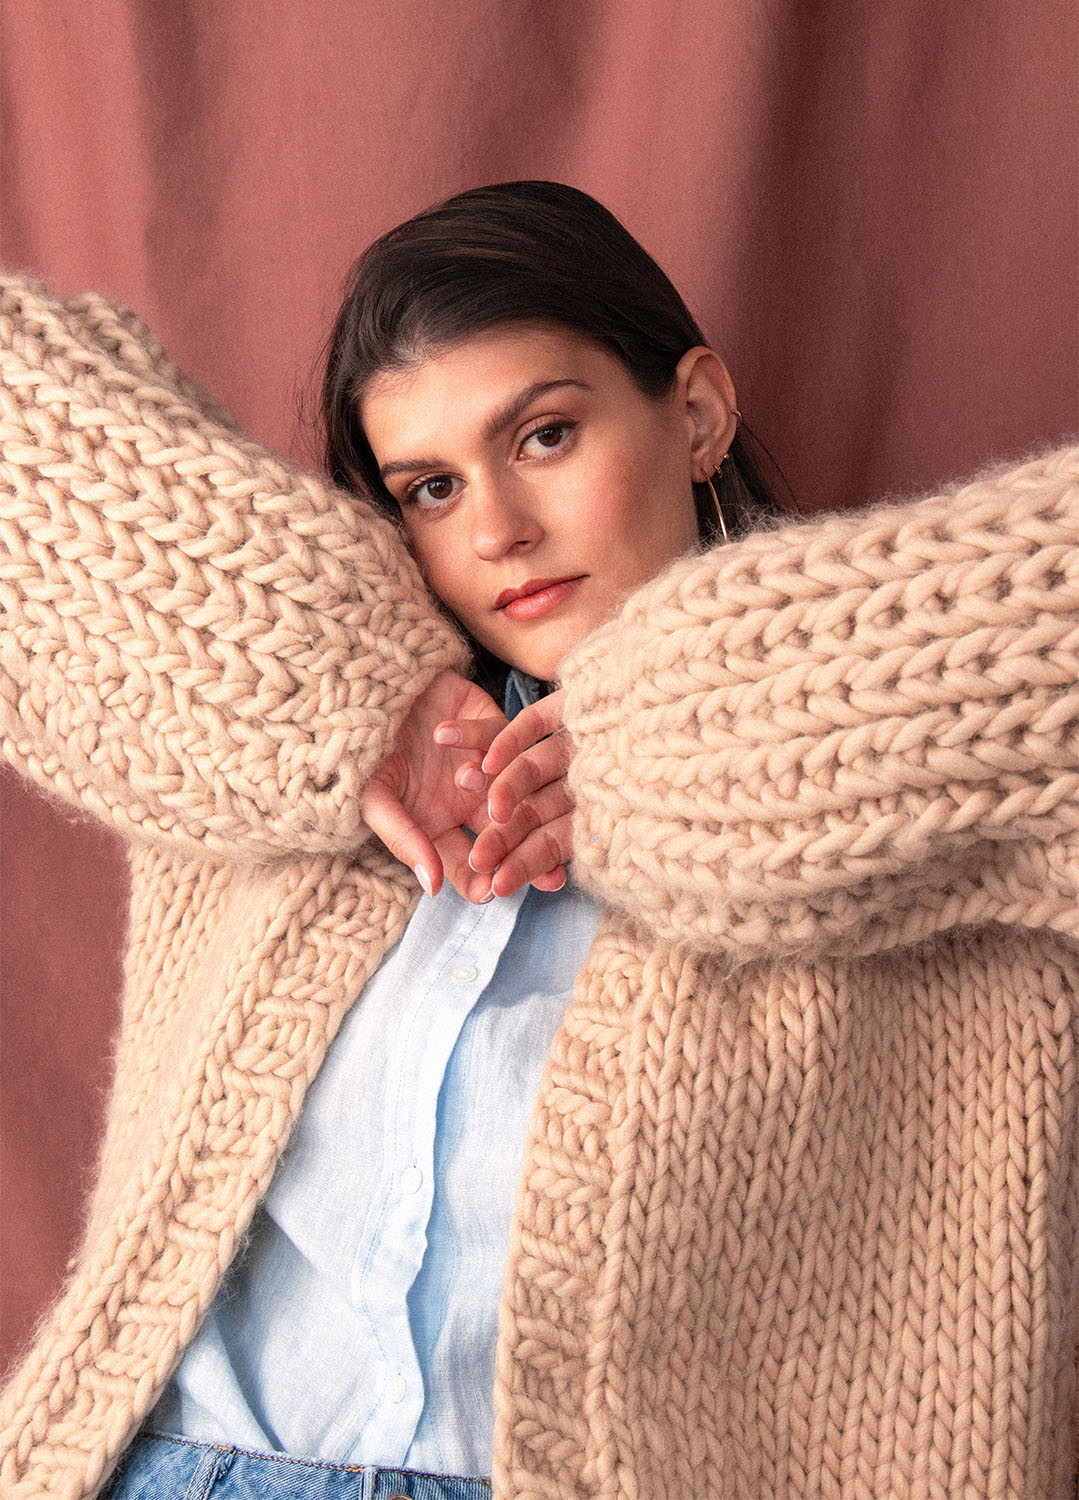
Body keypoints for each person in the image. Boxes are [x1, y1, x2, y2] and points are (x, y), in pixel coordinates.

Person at [0, 183, 1075, 1500]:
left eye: (546, 435)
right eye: (431, 486)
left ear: (696, 414)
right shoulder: (273, 748)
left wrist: (745, 715)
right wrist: (327, 667)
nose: (495, 528)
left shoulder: (944, 778)